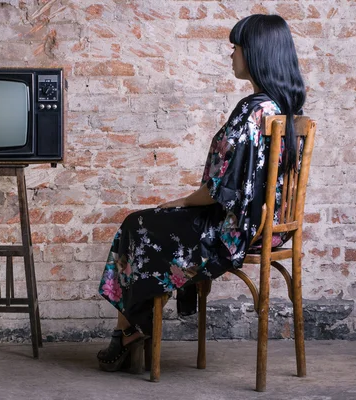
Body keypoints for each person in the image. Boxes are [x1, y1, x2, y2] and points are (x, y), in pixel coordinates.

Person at [96, 14, 306, 373]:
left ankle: (130, 329)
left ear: (255, 52)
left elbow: (218, 190)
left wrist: (180, 201)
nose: (231, 55)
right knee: (154, 225)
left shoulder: (251, 110)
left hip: (230, 232)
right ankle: (134, 327)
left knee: (137, 224)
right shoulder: (285, 111)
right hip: (266, 228)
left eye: (235, 47)